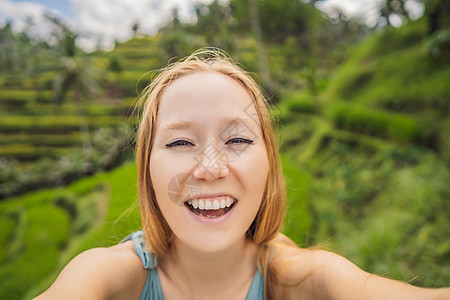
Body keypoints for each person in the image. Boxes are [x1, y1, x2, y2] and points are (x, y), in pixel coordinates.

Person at [36, 49, 449, 300]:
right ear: (146, 169)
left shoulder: (296, 274)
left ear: (269, 163)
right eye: (180, 143)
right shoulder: (107, 276)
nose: (211, 168)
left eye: (237, 140)